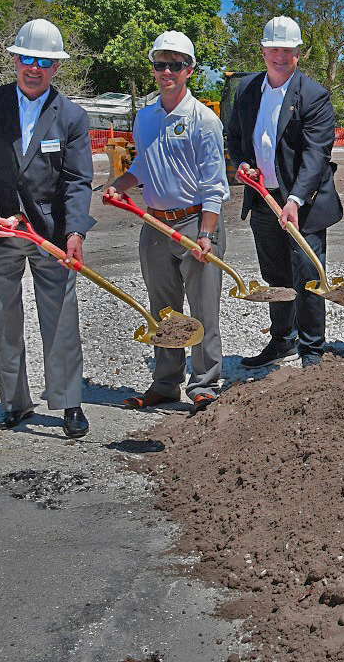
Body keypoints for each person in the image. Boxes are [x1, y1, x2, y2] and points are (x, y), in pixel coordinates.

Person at [0, 18, 94, 438]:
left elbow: (78, 181)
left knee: (61, 318)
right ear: (15, 60)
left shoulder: (72, 116)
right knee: (2, 319)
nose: (34, 68)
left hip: (50, 236)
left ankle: (69, 403)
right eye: (27, 59)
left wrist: (75, 233)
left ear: (57, 66)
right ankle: (14, 403)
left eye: (44, 61)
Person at [105, 31, 230, 411]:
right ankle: (165, 382)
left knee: (203, 309)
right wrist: (119, 185)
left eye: (175, 65)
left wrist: (206, 233)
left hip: (195, 224)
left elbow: (214, 185)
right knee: (163, 310)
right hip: (155, 226)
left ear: (189, 69)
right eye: (160, 64)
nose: (167, 71)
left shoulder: (204, 120)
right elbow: (143, 165)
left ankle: (204, 383)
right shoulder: (145, 118)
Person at [224, 15, 342, 369]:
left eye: (287, 50)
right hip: (263, 198)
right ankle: (282, 340)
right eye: (273, 49)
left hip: (303, 203)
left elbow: (316, 154)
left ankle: (312, 348)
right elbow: (236, 137)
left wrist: (294, 199)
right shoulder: (247, 89)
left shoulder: (314, 95)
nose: (280, 56)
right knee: (275, 274)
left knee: (307, 274)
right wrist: (243, 164)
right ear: (263, 51)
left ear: (298, 53)